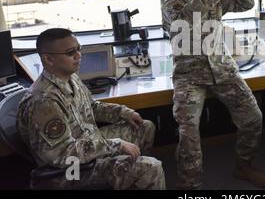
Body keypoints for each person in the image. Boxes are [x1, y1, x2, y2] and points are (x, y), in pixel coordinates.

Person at [162, 0, 265, 189]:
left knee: (253, 117)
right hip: (189, 76)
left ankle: (244, 166)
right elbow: (187, 22)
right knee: (188, 130)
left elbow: (246, 4)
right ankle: (190, 183)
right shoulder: (172, 5)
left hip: (222, 69)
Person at [17, 28, 165, 190]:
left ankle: (131, 179)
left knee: (143, 127)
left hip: (88, 145)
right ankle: (137, 173)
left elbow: (92, 107)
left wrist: (122, 112)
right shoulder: (43, 101)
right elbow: (62, 153)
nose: (79, 55)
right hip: (69, 171)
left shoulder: (70, 77)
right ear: (49, 59)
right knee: (150, 168)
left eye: (78, 49)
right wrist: (115, 145)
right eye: (70, 52)